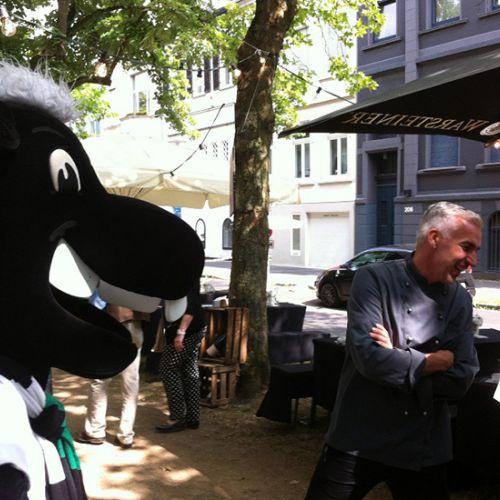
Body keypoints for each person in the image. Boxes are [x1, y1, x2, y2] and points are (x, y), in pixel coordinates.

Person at [305, 201, 482, 500]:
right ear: (434, 238)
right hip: (359, 435)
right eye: (467, 247)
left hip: (425, 445)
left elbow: (462, 378)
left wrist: (396, 356)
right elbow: (369, 359)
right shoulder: (373, 279)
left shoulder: (460, 300)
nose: (473, 260)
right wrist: (434, 361)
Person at [76, 302, 147, 449]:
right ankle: (126, 435)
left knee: (100, 379)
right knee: (131, 382)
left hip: (109, 321)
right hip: (134, 324)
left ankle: (95, 431)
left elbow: (95, 299)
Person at [156, 281, 206, 432]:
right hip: (193, 327)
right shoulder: (184, 273)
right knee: (189, 370)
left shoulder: (184, 274)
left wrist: (180, 333)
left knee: (168, 368)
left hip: (186, 329)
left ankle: (177, 417)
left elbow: (190, 306)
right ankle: (192, 418)